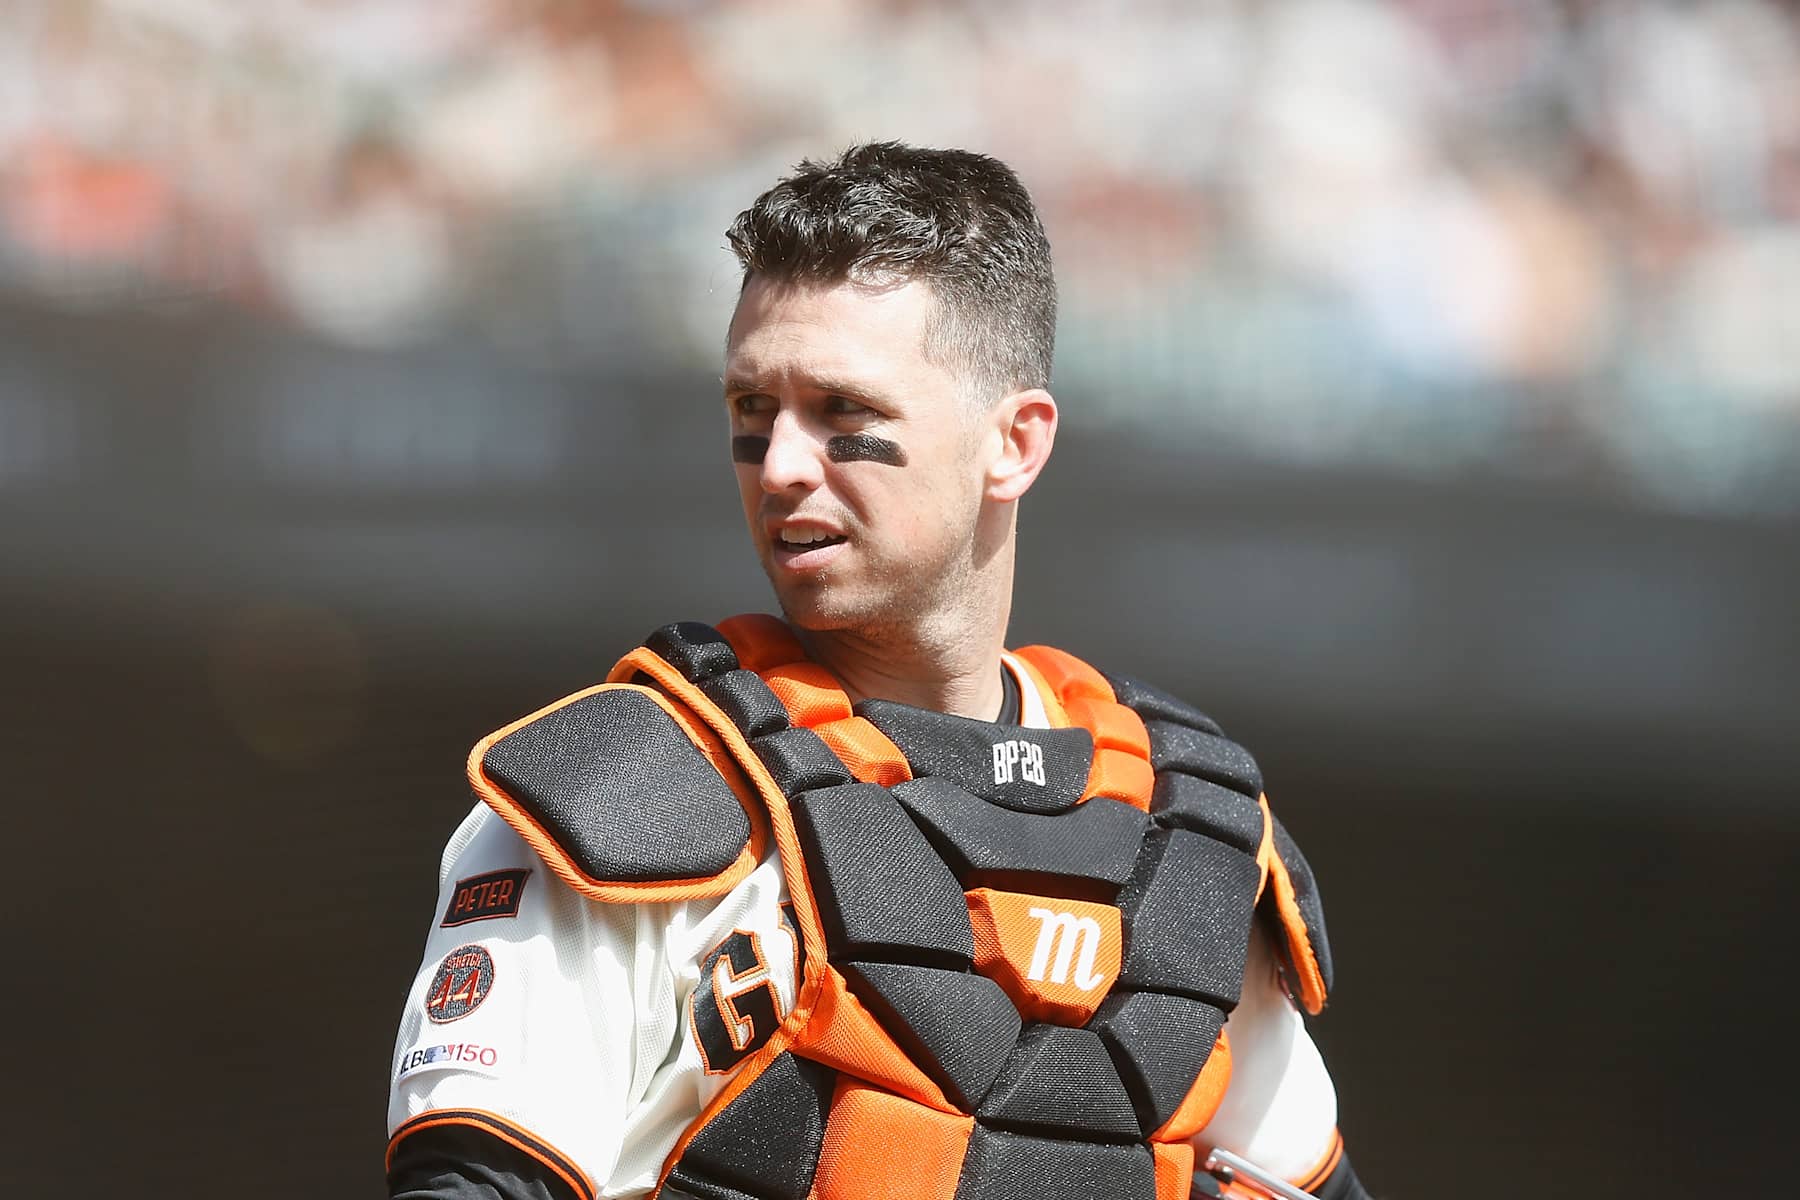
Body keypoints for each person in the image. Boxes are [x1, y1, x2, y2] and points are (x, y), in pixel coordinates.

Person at [385, 142, 1371, 1200]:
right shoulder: (628, 796)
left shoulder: (1185, 836)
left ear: (1015, 443)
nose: (782, 466)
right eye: (752, 414)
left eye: (845, 415)